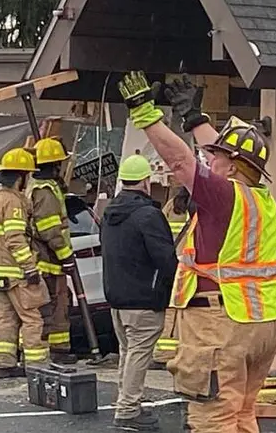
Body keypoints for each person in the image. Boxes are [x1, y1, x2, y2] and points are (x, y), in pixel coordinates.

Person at [118, 71, 276, 433]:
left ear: (233, 165)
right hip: (260, 322)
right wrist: (195, 120)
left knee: (214, 420)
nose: (210, 159)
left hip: (220, 324)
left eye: (216, 156)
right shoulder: (260, 200)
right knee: (241, 415)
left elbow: (181, 163)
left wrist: (145, 114)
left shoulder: (224, 195)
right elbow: (222, 156)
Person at [101, 153, 178, 431]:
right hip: (144, 299)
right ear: (146, 181)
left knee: (128, 352)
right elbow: (165, 258)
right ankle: (127, 409)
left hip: (117, 299)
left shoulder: (110, 213)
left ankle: (127, 400)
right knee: (138, 354)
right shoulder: (148, 215)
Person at [0, 148, 50, 379]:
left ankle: (3, 364)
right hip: (16, 272)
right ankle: (36, 365)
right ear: (20, 177)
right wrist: (30, 267)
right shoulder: (13, 202)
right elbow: (15, 239)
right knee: (31, 317)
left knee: (5, 317)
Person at [26, 137, 78, 365]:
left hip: (51, 260)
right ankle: (49, 353)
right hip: (47, 260)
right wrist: (66, 254)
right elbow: (50, 229)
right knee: (50, 307)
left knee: (60, 305)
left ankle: (60, 349)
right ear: (55, 164)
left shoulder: (44, 187)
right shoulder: (45, 192)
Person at [151, 186, 196, 369]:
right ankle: (175, 353)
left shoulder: (172, 205)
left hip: (172, 263)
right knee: (184, 311)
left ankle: (163, 353)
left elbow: (159, 231)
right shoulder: (203, 206)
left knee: (170, 309)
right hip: (191, 266)